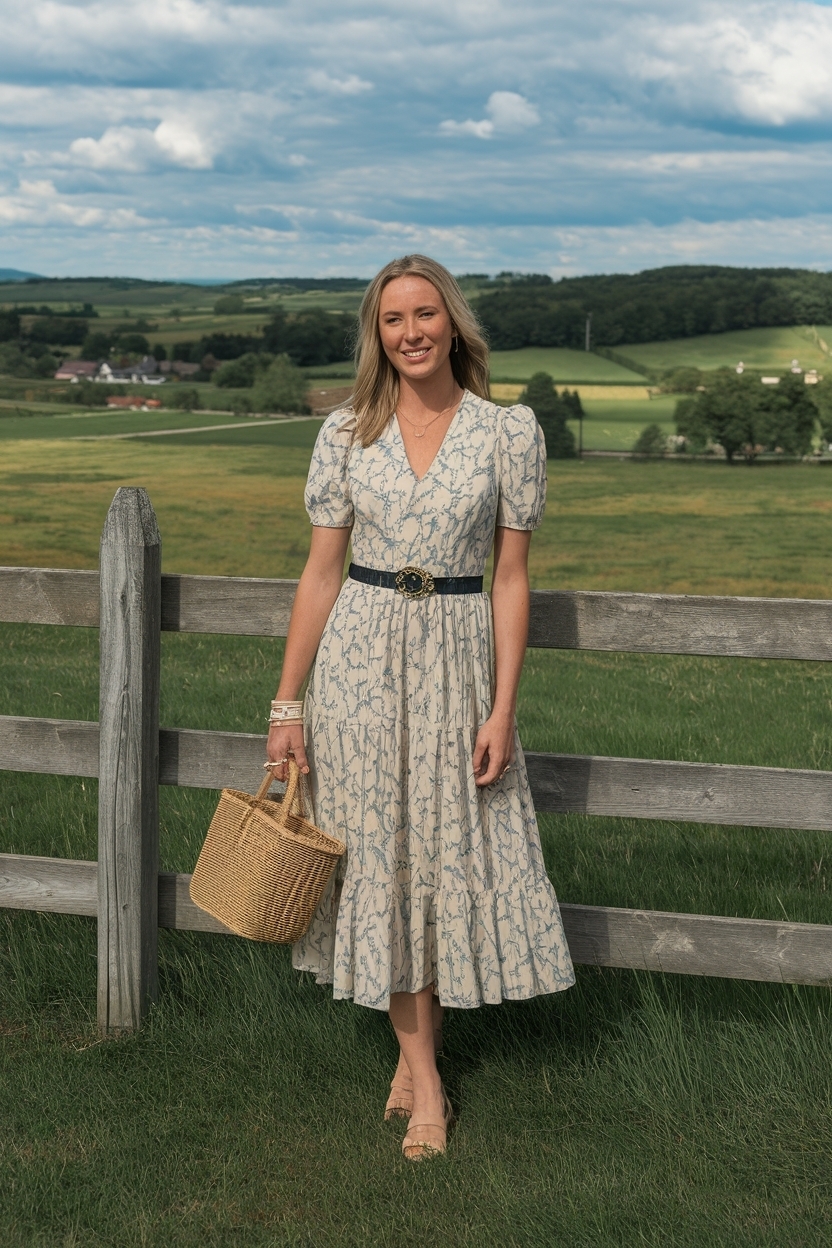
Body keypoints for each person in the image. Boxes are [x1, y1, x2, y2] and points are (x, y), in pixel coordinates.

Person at [265, 254, 575, 1160]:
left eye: (425, 314)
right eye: (393, 318)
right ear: (378, 333)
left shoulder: (507, 433)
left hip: (455, 660)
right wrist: (288, 704)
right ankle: (428, 1081)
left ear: (452, 324)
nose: (410, 332)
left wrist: (504, 707)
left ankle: (413, 1052)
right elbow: (321, 572)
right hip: (359, 662)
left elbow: (511, 580)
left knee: (439, 853)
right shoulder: (345, 434)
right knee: (382, 855)